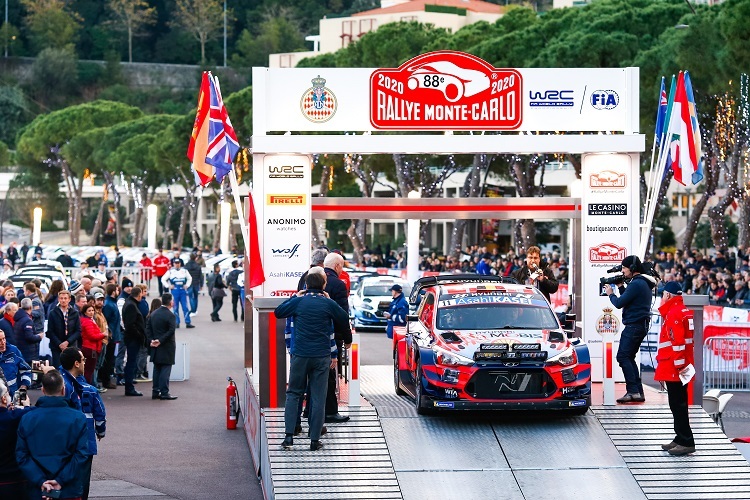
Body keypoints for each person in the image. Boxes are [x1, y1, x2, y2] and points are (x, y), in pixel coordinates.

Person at [275, 271, 351, 451]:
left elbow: (279, 312)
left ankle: (288, 438)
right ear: (324, 285)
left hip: (300, 356)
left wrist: (296, 296)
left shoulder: (299, 302)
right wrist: (329, 299)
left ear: (306, 285)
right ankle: (314, 440)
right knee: (318, 397)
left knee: (294, 393)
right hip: (321, 357)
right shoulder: (327, 303)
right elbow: (343, 317)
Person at [16, 369, 88, 500]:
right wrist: (61, 480)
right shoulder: (78, 418)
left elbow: (22, 455)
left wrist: (40, 480)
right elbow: (82, 454)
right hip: (69, 489)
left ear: (43, 390)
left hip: (37, 489)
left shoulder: (27, 418)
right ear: (63, 390)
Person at [604, 255, 655, 404]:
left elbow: (619, 303)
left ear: (632, 269)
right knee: (629, 357)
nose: (623, 271)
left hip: (634, 325)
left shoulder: (637, 284)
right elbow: (628, 299)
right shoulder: (641, 283)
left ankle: (633, 391)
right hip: (639, 325)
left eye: (625, 268)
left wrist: (611, 294)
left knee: (623, 357)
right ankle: (637, 392)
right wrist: (620, 287)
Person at [59, 348, 106, 500]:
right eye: (83, 360)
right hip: (84, 442)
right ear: (76, 363)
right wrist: (101, 431)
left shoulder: (60, 381)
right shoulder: (89, 389)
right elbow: (100, 414)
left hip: (64, 442)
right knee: (82, 483)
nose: (85, 362)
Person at [655, 281, 696, 456]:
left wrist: (679, 367)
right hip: (680, 364)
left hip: (674, 366)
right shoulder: (684, 311)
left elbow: (677, 343)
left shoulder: (673, 313)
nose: (661, 298)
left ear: (668, 295)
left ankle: (686, 440)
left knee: (677, 404)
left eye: (663, 295)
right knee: (678, 403)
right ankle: (680, 437)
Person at [322, 252, 351, 423]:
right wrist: (347, 338)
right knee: (331, 375)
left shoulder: (307, 278)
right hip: (332, 338)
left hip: (308, 339)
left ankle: (308, 411)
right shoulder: (338, 285)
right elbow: (342, 315)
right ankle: (331, 411)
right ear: (338, 266)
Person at [0, 378, 34, 498]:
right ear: (4, 399)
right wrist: (25, 406)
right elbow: (36, 413)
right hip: (13, 479)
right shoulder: (14, 418)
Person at [146, 293, 178, 400]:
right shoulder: (170, 315)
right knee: (165, 369)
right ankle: (164, 392)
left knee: (157, 368)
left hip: (155, 345)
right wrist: (160, 340)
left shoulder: (154, 313)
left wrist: (152, 340)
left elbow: (148, 328)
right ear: (170, 302)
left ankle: (155, 391)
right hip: (166, 346)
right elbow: (171, 331)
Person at [47, 290, 82, 370]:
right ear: (58, 299)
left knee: (71, 369)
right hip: (56, 347)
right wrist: (60, 344)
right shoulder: (53, 313)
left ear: (69, 299)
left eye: (65, 298)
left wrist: (67, 342)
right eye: (61, 298)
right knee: (59, 369)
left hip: (71, 345)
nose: (63, 300)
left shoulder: (74, 313)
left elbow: (78, 331)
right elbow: (50, 331)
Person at [121, 286, 146, 396]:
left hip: (131, 337)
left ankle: (129, 386)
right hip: (132, 338)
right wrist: (139, 335)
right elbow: (130, 325)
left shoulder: (130, 303)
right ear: (139, 295)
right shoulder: (131, 305)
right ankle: (129, 387)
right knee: (131, 362)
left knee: (131, 362)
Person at [161, 258, 194, 328]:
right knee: (175, 307)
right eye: (175, 263)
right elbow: (163, 279)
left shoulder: (184, 271)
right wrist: (168, 286)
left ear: (180, 263)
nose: (177, 264)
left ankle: (188, 322)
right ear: (173, 264)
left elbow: (190, 278)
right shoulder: (170, 271)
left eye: (178, 263)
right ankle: (176, 322)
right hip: (175, 291)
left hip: (182, 290)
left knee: (185, 307)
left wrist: (187, 285)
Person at [100, 284, 121, 390]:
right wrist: (110, 333)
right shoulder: (109, 304)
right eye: (117, 290)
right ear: (113, 291)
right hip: (111, 336)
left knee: (111, 358)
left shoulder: (112, 303)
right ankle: (106, 380)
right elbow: (106, 321)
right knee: (108, 358)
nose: (118, 291)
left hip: (114, 335)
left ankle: (107, 379)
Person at [79, 305, 106, 384]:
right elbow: (92, 336)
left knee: (89, 369)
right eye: (89, 311)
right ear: (85, 312)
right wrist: (103, 335)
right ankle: (88, 387)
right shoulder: (87, 322)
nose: (91, 312)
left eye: (92, 310)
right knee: (89, 370)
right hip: (90, 348)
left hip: (91, 348)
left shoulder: (90, 320)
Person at [0, 330, 31, 398]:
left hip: (14, 396)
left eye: (4, 339)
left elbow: (26, 370)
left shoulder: (13, 351)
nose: (3, 343)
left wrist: (24, 387)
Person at [15, 299, 44, 365]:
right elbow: (29, 337)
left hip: (21, 351)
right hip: (28, 354)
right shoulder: (27, 320)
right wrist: (39, 336)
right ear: (31, 307)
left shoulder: (18, 318)